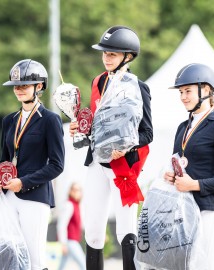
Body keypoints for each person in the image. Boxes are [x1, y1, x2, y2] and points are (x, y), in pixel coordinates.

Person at [70, 26, 153, 270]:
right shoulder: (98, 82)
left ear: (128, 56)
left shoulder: (139, 87)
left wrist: (126, 148)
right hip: (97, 162)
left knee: (125, 229)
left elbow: (148, 132)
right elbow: (97, 126)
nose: (106, 57)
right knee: (93, 230)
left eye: (112, 54)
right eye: (104, 53)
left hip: (122, 165)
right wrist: (80, 128)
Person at [164, 63, 214, 269]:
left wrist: (195, 184)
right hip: (184, 210)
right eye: (181, 92)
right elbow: (179, 164)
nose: (183, 96)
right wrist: (172, 176)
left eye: (188, 91)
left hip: (210, 212)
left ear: (206, 90)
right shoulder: (183, 127)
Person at [0, 59, 65, 270]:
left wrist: (23, 183)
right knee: (12, 257)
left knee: (34, 260)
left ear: (39, 86)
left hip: (34, 197)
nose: (19, 90)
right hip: (8, 196)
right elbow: (4, 159)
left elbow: (57, 165)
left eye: (24, 85)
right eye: (16, 86)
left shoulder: (50, 120)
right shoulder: (9, 120)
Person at [57, 182, 86, 270]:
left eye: (78, 190)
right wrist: (63, 243)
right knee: (84, 265)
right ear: (70, 191)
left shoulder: (77, 205)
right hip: (70, 242)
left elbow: (81, 224)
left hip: (72, 241)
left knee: (62, 266)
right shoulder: (69, 205)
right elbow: (62, 225)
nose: (75, 192)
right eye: (73, 189)